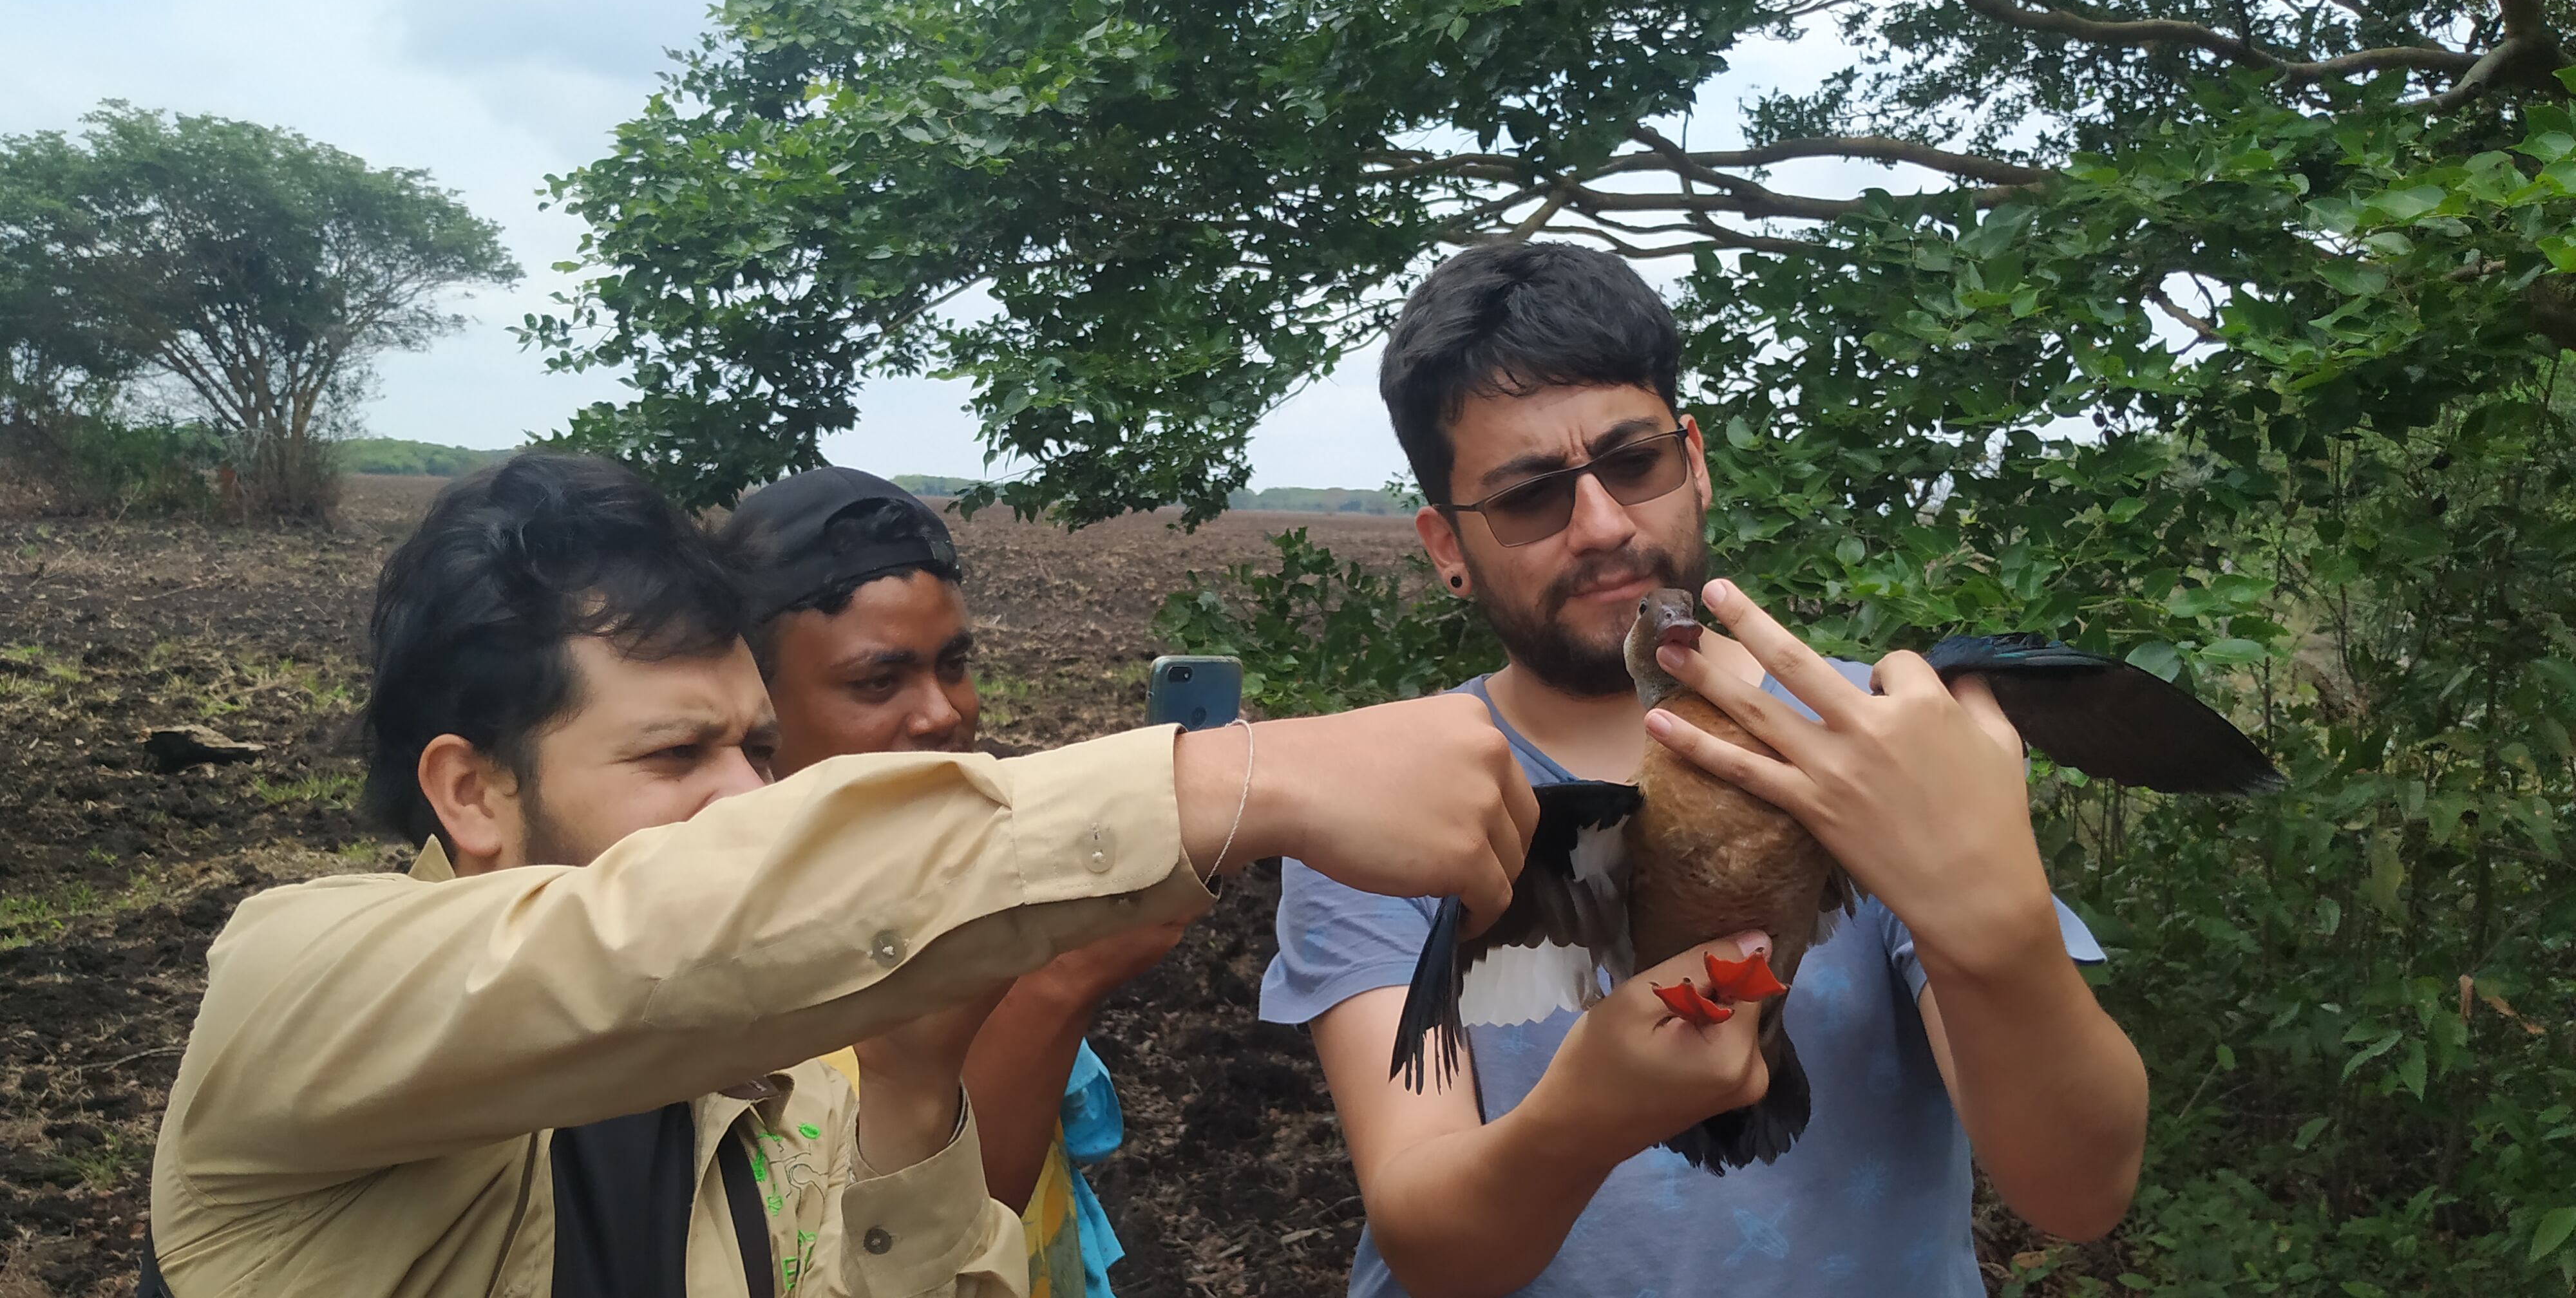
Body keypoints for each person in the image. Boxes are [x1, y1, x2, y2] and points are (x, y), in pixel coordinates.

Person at [144, 451, 1552, 1298]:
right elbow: (654, 941)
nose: (747, 794)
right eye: (674, 753)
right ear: (472, 792)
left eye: (754, 745)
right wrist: (1240, 778)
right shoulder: (296, 991)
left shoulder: (769, 1085)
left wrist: (907, 1095)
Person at [1262, 242, 2150, 1297]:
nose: (1603, 526)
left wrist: (1999, 925)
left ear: (1694, 456)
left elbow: (2080, 1190)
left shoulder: (1871, 737)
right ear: (1445, 544)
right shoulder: (1389, 798)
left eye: (1633, 463)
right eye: (1531, 497)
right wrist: (1579, 1117)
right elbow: (1434, 1244)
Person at [721, 466, 1184, 1298]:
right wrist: (1061, 983)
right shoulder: (736, 965)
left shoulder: (949, 872)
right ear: (753, 707)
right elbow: (941, 1240)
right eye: (877, 680)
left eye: (954, 663)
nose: (944, 712)